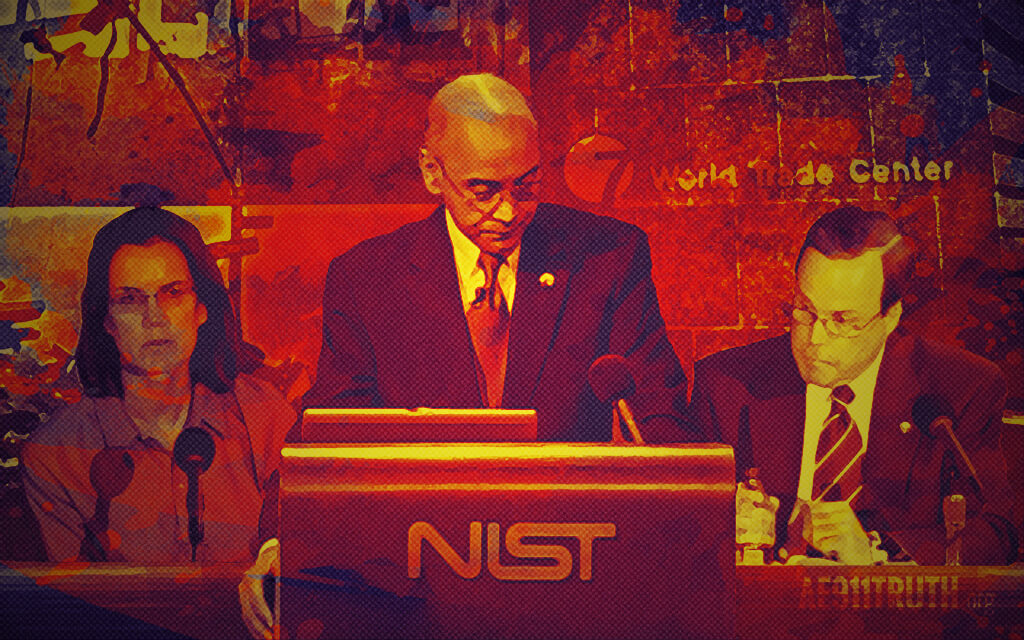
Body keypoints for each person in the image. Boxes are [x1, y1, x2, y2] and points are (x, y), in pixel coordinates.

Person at [301, 73, 689, 442]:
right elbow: (335, 432)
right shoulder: (366, 279)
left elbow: (658, 409)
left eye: (527, 186)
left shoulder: (608, 256)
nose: (508, 213)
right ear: (432, 172)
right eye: (483, 192)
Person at [689, 207, 1017, 565]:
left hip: (896, 600)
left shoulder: (961, 386)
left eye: (843, 321)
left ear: (890, 317)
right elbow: (684, 525)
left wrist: (877, 552)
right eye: (805, 310)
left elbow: (994, 531)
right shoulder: (726, 385)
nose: (815, 338)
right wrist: (728, 524)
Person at [18, 207, 294, 630]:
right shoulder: (56, 455)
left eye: (173, 293)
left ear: (202, 308)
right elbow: (75, 613)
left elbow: (308, 558)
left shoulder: (265, 415)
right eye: (130, 300)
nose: (154, 317)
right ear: (106, 321)